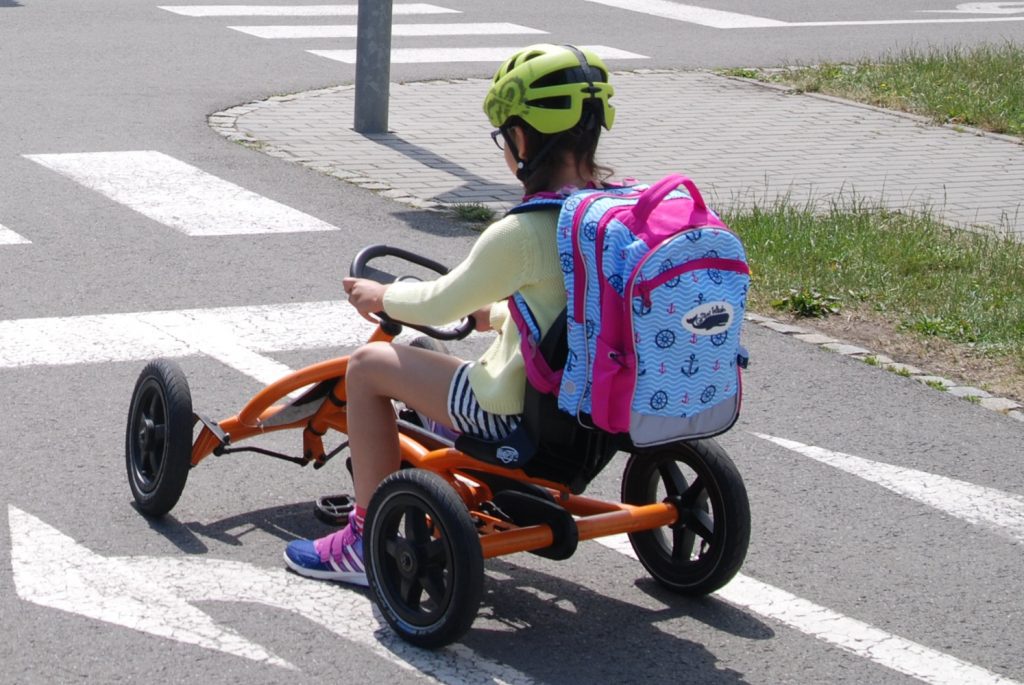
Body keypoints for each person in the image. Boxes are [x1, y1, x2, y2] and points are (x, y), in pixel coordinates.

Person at [283, 44, 617, 586]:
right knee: (426, 355)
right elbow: (571, 311)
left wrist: (381, 297)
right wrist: (503, 315)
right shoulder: (609, 218)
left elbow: (441, 302)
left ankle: (364, 540)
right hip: (596, 415)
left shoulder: (525, 232)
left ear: (522, 138)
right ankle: (439, 433)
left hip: (515, 415)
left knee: (368, 366)